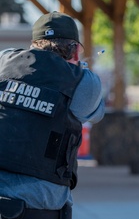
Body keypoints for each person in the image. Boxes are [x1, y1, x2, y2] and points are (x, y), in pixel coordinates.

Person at [0, 12, 105, 219]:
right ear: (75, 52)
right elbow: (96, 114)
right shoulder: (82, 81)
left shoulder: (4, 60)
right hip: (39, 209)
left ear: (33, 44)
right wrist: (78, 69)